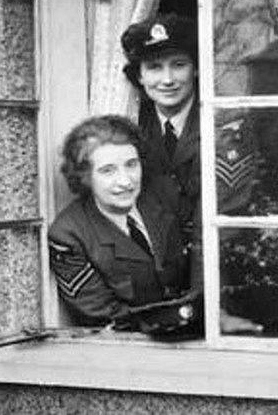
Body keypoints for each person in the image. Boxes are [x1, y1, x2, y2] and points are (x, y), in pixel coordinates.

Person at [120, 13, 258, 333]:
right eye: (154, 67)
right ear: (139, 76)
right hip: (155, 289)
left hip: (223, 285)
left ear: (196, 68)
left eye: (178, 64)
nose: (167, 80)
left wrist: (203, 304)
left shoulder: (226, 126)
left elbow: (221, 222)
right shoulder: (127, 124)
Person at [48, 115, 190, 326]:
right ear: (84, 176)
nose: (125, 181)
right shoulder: (68, 235)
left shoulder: (165, 196)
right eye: (108, 171)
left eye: (131, 165)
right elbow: (105, 314)